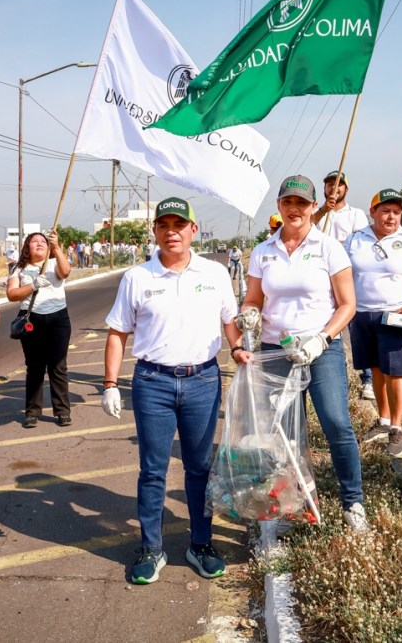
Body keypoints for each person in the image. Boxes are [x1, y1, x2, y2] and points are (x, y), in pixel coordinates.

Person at [102, 197, 244, 585]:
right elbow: (117, 333)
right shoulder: (137, 277)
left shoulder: (215, 274)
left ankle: (201, 544)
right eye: (163, 225)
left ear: (193, 230)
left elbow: (231, 322)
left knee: (199, 468)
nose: (171, 232)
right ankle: (151, 547)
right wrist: (110, 384)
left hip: (203, 381)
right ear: (155, 231)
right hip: (153, 383)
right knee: (153, 470)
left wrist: (238, 348)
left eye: (179, 225)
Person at [240, 175, 370, 533]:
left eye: (301, 203)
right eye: (288, 202)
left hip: (320, 351)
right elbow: (254, 299)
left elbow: (348, 304)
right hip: (276, 351)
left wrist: (322, 339)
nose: (294, 209)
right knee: (285, 434)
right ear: (279, 206)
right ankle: (294, 504)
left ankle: (353, 502)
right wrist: (249, 313)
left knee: (336, 423)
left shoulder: (328, 248)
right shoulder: (264, 251)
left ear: (314, 206)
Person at [346, 189, 402, 458]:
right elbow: (343, 274)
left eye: (396, 212)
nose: (391, 217)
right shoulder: (355, 240)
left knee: (395, 372)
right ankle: (382, 421)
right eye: (385, 211)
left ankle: (396, 427)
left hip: (396, 316)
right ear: (373, 212)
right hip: (362, 315)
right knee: (376, 369)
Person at [311, 170, 374, 401]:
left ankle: (368, 378)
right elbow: (305, 228)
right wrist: (323, 211)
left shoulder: (355, 215)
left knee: (357, 329)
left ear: (345, 189)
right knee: (326, 327)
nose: (333, 188)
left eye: (338, 185)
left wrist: (331, 246)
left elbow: (360, 244)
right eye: (329, 184)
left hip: (347, 278)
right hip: (320, 280)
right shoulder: (318, 214)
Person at [6, 231, 72, 428]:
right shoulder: (19, 268)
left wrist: (57, 248)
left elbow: (65, 272)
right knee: (35, 367)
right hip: (32, 320)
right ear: (27, 246)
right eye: (34, 241)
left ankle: (62, 411)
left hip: (58, 319)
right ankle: (32, 412)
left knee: (58, 366)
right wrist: (33, 285)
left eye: (43, 241)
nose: (39, 243)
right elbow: (12, 294)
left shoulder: (53, 263)